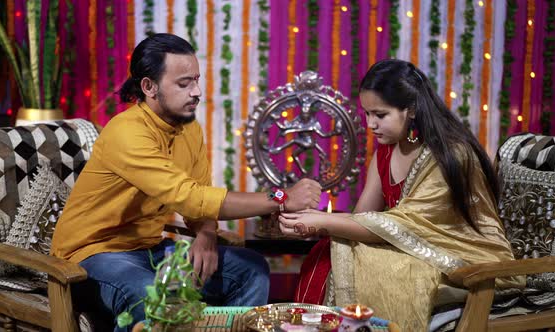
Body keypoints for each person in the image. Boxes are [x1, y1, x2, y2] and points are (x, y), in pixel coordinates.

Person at [50, 33, 322, 331]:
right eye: (184, 84)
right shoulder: (126, 133)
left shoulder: (189, 130)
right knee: (148, 295)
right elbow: (188, 196)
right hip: (94, 256)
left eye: (196, 80)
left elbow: (199, 199)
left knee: (250, 268)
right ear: (149, 87)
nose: (196, 92)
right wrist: (281, 197)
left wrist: (206, 234)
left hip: (151, 250)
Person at [278, 59, 523, 331]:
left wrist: (321, 221)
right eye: (367, 114)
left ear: (412, 110)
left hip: (455, 254)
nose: (370, 124)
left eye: (380, 115)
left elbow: (407, 224)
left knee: (368, 265)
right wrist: (314, 223)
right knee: (327, 252)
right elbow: (364, 218)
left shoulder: (449, 155)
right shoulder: (385, 152)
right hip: (406, 245)